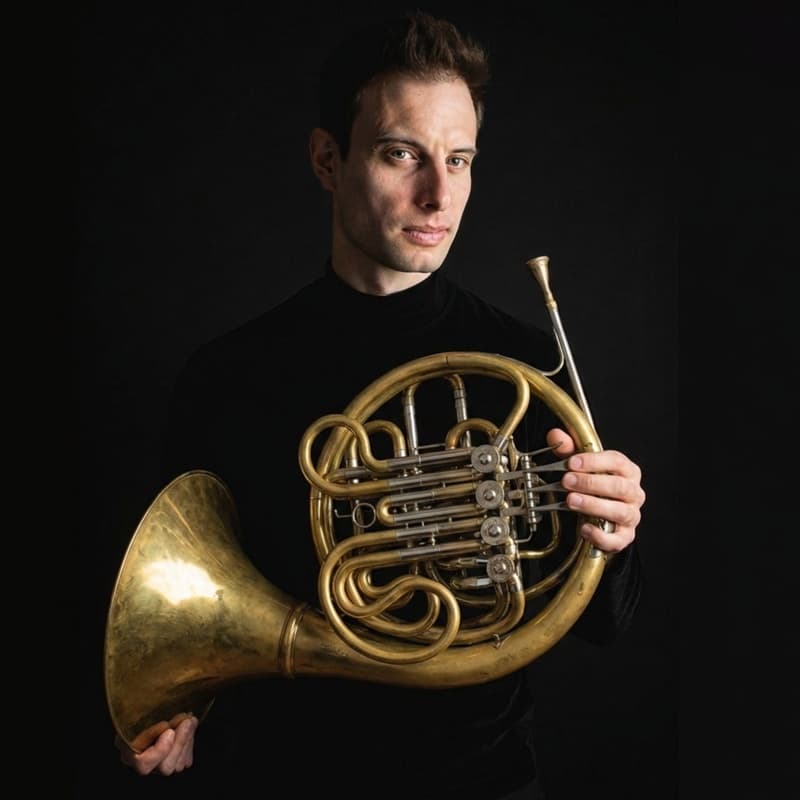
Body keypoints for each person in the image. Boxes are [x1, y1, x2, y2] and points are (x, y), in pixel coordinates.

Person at [113, 11, 645, 799]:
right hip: (283, 777)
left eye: (459, 160)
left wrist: (616, 528)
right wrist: (174, 703)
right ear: (329, 159)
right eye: (403, 154)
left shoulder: (527, 361)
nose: (439, 195)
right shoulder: (227, 375)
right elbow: (182, 605)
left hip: (484, 780)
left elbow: (604, 621)